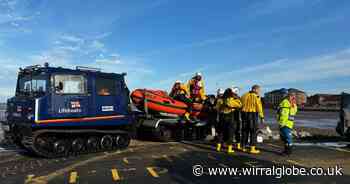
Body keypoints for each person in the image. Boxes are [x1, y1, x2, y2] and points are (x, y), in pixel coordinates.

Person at [216, 88, 242, 154]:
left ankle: (218, 147)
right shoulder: (231, 100)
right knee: (231, 133)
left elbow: (217, 108)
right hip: (230, 117)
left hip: (222, 117)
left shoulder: (220, 100)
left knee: (221, 132)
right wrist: (236, 100)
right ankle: (229, 149)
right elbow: (240, 105)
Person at [241, 85, 264, 154]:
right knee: (253, 131)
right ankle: (252, 148)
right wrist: (262, 116)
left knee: (245, 130)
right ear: (255, 89)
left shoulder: (244, 95)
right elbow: (259, 107)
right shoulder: (256, 96)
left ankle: (243, 147)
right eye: (258, 90)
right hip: (253, 114)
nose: (259, 92)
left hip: (244, 114)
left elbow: (240, 103)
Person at [277, 89, 298, 156]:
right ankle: (287, 151)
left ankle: (288, 152)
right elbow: (285, 113)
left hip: (286, 124)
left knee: (287, 138)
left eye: (293, 96)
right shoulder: (290, 103)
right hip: (288, 123)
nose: (292, 97)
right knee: (286, 138)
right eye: (291, 96)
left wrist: (281, 124)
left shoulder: (287, 103)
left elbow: (284, 114)